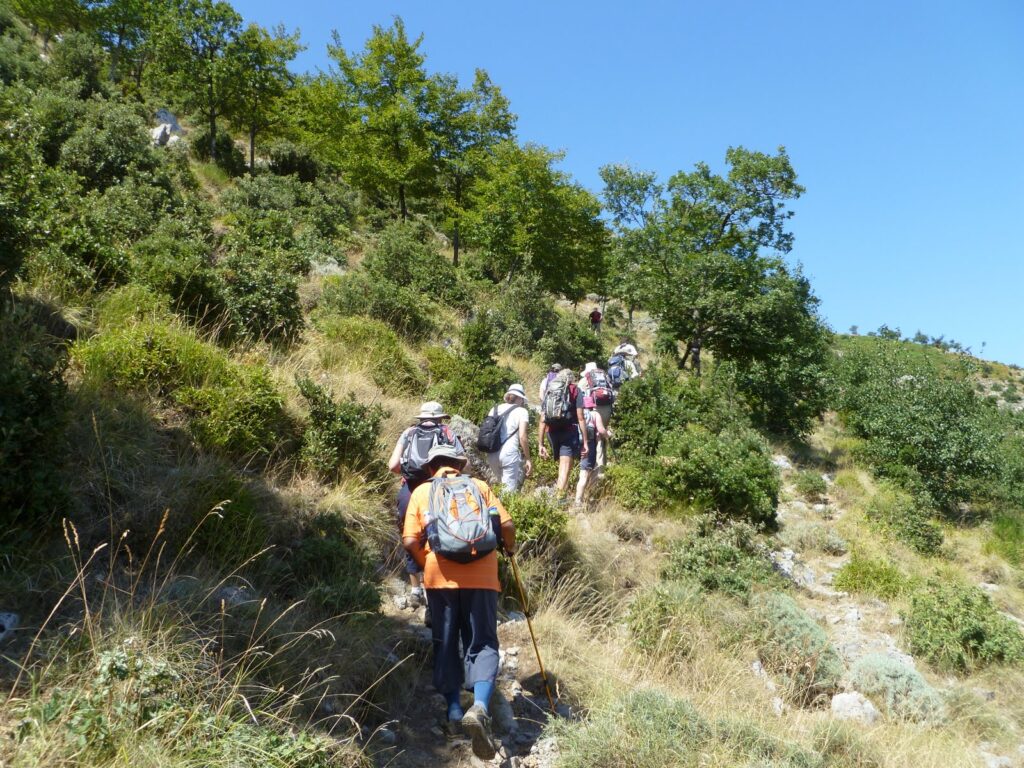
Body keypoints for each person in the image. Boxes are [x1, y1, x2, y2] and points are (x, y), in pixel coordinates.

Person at [402, 444, 516, 760]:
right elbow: (505, 526)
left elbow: (411, 540)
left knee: (446, 641)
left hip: (440, 577)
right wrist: (510, 549)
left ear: (430, 468)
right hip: (483, 576)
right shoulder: (479, 487)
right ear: (459, 466)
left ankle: (454, 711)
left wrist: (428, 563)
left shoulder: (422, 493)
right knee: (482, 642)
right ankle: (479, 707)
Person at [387, 401, 465, 608]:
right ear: (440, 418)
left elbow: (392, 465)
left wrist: (411, 473)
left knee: (411, 536)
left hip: (410, 491)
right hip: (439, 489)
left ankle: (415, 590)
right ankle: (436, 588)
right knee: (440, 536)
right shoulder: (447, 432)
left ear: (421, 418)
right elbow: (465, 463)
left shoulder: (409, 432)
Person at [538, 369, 588, 502]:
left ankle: (562, 497)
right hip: (568, 432)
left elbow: (542, 418)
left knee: (565, 466)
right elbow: (581, 417)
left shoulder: (550, 389)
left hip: (551, 432)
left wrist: (540, 444)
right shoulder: (575, 390)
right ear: (571, 379)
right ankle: (558, 500)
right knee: (565, 468)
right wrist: (586, 442)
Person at [484, 384, 532, 493]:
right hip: (509, 454)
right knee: (508, 494)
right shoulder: (522, 411)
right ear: (519, 398)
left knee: (501, 487)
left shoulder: (495, 409)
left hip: (492, 453)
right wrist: (528, 458)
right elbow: (522, 436)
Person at [575, 396, 610, 506]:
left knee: (589, 470)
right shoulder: (594, 414)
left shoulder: (577, 414)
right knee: (584, 474)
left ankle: (587, 498)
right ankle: (579, 501)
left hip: (577, 445)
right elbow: (601, 430)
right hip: (589, 446)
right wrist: (608, 434)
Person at [580, 362, 614, 467]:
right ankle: (603, 462)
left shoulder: (584, 380)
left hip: (594, 409)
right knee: (602, 435)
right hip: (607, 408)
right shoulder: (605, 377)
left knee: (596, 436)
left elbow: (579, 396)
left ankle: (597, 467)